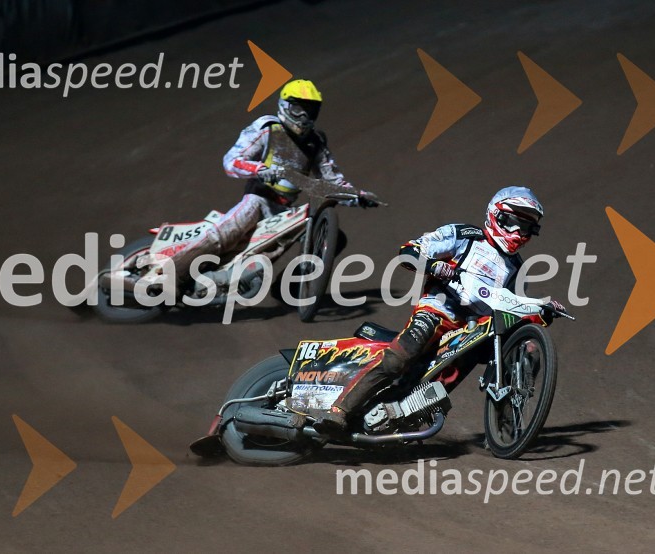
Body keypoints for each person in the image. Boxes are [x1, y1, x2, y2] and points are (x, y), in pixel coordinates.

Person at [314, 186, 566, 432]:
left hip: (478, 327)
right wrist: (433, 266)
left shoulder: (517, 268)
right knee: (401, 357)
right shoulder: (464, 235)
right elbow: (409, 251)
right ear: (496, 215)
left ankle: (508, 420)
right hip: (439, 311)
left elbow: (513, 308)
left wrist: (542, 310)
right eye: (514, 223)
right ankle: (340, 410)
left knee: (527, 348)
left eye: (527, 228)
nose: (520, 232)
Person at [165, 79, 359, 284]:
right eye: (298, 109)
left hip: (283, 212)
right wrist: (259, 169)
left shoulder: (316, 141)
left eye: (309, 110)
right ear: (285, 105)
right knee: (228, 233)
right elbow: (231, 161)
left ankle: (290, 290)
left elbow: (332, 179)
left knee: (324, 239)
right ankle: (172, 275)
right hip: (258, 199)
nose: (304, 116)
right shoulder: (268, 127)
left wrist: (357, 196)